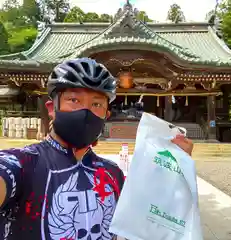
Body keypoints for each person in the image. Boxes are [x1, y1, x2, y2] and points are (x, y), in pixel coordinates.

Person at [0, 58, 193, 240]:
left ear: (106, 114)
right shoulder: (23, 164)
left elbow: (142, 223)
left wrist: (172, 172)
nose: (86, 111)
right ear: (52, 108)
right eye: (74, 100)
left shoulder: (112, 174)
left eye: (96, 104)